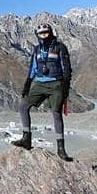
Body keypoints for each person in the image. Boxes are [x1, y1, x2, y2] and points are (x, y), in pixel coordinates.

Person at [12, 22, 73, 161]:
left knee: (57, 113)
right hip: (39, 83)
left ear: (50, 32)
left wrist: (65, 88)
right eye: (41, 33)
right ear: (37, 35)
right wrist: (28, 83)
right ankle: (26, 139)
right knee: (23, 106)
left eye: (46, 32)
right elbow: (33, 67)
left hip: (56, 84)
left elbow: (66, 68)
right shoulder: (37, 49)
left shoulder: (60, 47)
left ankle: (61, 149)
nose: (44, 35)